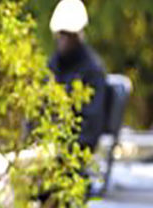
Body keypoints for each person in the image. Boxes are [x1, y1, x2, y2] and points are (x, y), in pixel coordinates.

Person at [47, 0, 108, 153]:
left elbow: (90, 129)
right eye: (62, 34)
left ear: (79, 35)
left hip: (71, 156)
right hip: (45, 149)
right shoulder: (53, 66)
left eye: (69, 35)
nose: (64, 40)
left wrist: (62, 149)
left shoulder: (92, 72)